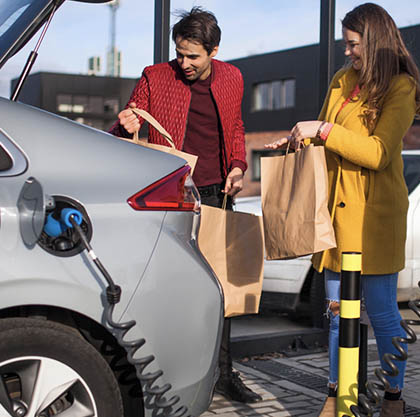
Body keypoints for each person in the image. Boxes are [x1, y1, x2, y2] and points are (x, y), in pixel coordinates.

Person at [265, 3, 420, 416]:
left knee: (381, 315)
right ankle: (339, 396)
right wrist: (296, 144)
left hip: (373, 220)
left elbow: (377, 153)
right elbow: (325, 139)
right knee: (339, 318)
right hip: (336, 219)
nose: (347, 52)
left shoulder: (401, 87)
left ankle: (393, 397)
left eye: (353, 44)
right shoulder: (343, 80)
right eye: (346, 44)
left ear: (373, 42)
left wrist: (323, 130)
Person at [109, 7, 261, 404]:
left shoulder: (233, 77)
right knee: (170, 287)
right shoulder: (155, 77)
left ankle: (223, 374)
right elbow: (125, 128)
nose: (184, 63)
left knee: (220, 289)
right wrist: (123, 124)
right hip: (171, 196)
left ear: (213, 51)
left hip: (216, 194)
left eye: (193, 56)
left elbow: (236, 127)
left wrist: (239, 166)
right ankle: (168, 378)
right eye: (180, 53)